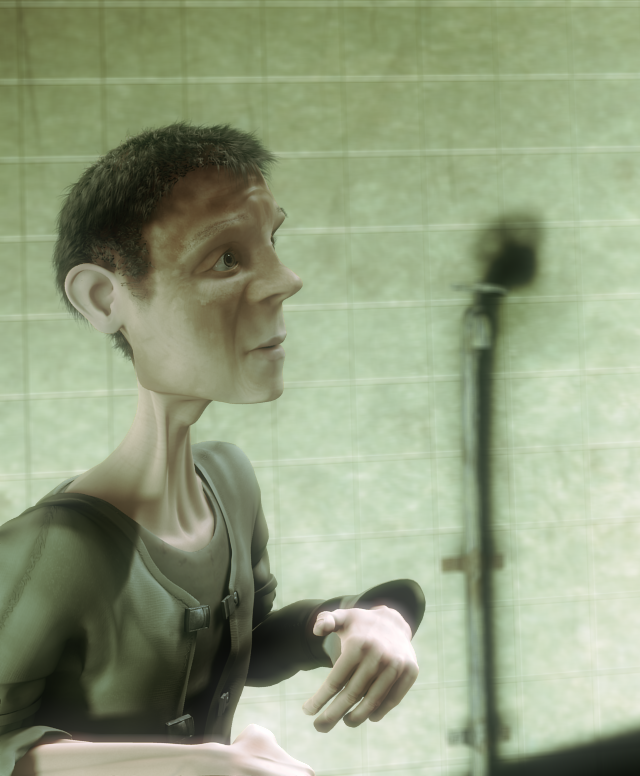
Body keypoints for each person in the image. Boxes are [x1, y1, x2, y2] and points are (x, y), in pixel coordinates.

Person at [1, 124, 424, 776]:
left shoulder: (229, 480)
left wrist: (362, 621)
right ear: (105, 298)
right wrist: (204, 767)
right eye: (226, 258)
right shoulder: (50, 551)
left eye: (271, 243)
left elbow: (247, 644)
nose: (285, 280)